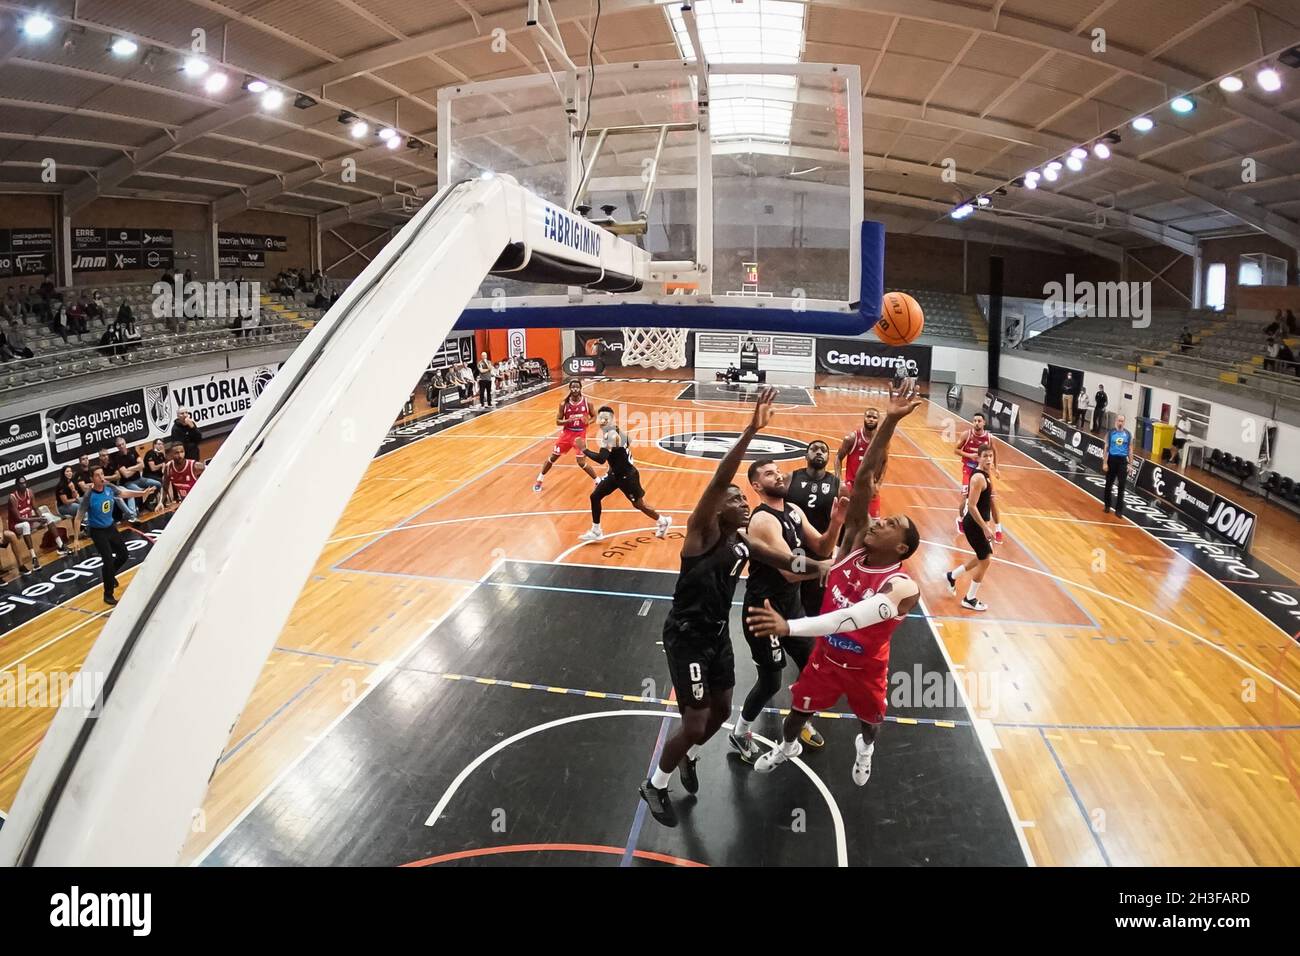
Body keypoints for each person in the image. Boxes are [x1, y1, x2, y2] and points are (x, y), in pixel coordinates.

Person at [638, 389, 825, 827]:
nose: (744, 503)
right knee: (696, 716)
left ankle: (689, 757)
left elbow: (782, 560)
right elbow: (721, 479)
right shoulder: (701, 533)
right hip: (687, 638)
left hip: (717, 636)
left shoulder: (742, 540)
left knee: (722, 711)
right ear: (718, 507)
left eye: (746, 499)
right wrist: (751, 431)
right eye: (737, 499)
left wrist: (821, 563)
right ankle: (656, 784)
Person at [745, 386, 924, 785]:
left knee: (870, 723)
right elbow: (863, 478)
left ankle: (865, 750)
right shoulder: (853, 547)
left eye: (890, 525)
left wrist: (788, 627)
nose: (879, 521)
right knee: (797, 714)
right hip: (826, 657)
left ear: (900, 548)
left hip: (866, 667)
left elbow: (846, 618)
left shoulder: (903, 588)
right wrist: (891, 420)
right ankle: (788, 748)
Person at [729, 458, 845, 762]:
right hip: (764, 611)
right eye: (769, 474)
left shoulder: (793, 511)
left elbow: (821, 546)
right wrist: (824, 569)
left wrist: (836, 522)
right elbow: (790, 571)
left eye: (778, 471)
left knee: (812, 668)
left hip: (790, 607)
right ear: (756, 486)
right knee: (771, 681)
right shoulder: (764, 520)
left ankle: (800, 721)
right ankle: (740, 732)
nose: (778, 475)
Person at [574, 406, 671, 542]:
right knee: (595, 496)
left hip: (627, 476)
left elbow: (601, 459)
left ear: (612, 419)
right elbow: (627, 443)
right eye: (600, 418)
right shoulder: (616, 429)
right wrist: (616, 463)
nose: (602, 421)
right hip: (615, 474)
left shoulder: (611, 435)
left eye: (605, 419)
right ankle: (596, 531)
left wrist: (584, 449)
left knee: (639, 504)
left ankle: (663, 521)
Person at [76, 466, 151, 605]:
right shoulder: (89, 496)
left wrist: (141, 493)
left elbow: (124, 493)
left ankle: (109, 575)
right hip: (97, 531)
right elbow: (78, 517)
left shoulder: (109, 487)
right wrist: (75, 539)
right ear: (92, 479)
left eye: (102, 474)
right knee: (108, 560)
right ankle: (108, 594)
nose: (101, 477)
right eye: (97, 475)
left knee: (123, 555)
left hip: (110, 527)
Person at [787, 440, 841, 618]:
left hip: (821, 551)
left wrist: (839, 549)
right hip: (795, 548)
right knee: (791, 590)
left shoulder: (837, 485)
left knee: (814, 602)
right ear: (806, 455)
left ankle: (810, 638)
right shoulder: (790, 478)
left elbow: (845, 520)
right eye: (814, 449)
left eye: (824, 450)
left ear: (828, 457)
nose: (819, 452)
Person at [944, 444, 999, 612]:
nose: (989, 459)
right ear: (978, 458)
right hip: (975, 525)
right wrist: (985, 527)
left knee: (983, 556)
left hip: (979, 523)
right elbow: (973, 506)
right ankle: (970, 598)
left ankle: (952, 576)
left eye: (991, 456)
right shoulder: (978, 478)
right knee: (986, 560)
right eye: (985, 456)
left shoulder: (986, 474)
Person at [533, 379, 598, 492]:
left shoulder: (588, 403)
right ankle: (540, 479)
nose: (575, 389)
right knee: (553, 457)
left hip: (579, 434)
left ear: (580, 388)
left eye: (577, 387)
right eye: (573, 387)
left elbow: (594, 417)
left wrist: (589, 422)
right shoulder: (564, 404)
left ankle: (598, 481)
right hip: (567, 434)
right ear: (570, 388)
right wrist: (568, 420)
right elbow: (558, 421)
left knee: (581, 462)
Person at [7, 475, 72, 567]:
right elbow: (18, 518)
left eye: (25, 483)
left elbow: (36, 508)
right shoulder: (12, 498)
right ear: (17, 485)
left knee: (48, 516)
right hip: (17, 526)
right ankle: (34, 557)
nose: (24, 485)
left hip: (30, 521)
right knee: (25, 524)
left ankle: (61, 546)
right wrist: (37, 519)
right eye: (21, 484)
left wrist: (41, 517)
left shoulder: (29, 492)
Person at [954, 412, 1000, 540]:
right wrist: (970, 456)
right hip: (969, 469)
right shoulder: (966, 435)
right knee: (965, 497)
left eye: (979, 421)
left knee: (992, 499)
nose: (976, 423)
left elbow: (995, 452)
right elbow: (955, 450)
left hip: (985, 471)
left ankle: (998, 529)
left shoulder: (990, 438)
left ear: (984, 422)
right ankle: (961, 519)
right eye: (974, 420)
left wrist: (996, 468)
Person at [836, 406, 886, 519]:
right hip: (851, 486)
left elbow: (885, 462)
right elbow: (838, 458)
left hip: (870, 487)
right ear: (864, 418)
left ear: (878, 420)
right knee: (846, 521)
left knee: (873, 524)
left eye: (874, 417)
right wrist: (838, 481)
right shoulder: (852, 438)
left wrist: (878, 484)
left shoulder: (882, 441)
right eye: (869, 416)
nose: (871, 419)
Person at [1102, 414, 1134, 517]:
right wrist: (1105, 462)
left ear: (1124, 422)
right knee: (1108, 484)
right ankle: (1107, 505)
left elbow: (1130, 449)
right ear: (1116, 421)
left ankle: (1119, 510)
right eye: (1119, 421)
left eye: (1122, 421)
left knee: (1121, 486)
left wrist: (1130, 464)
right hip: (1112, 460)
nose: (1120, 423)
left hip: (1122, 462)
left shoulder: (1128, 434)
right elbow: (1106, 448)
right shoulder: (1110, 433)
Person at [55, 465, 83, 541]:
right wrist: (76, 499)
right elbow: (65, 501)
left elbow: (76, 496)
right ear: (63, 473)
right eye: (67, 471)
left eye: (70, 471)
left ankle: (81, 531)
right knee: (81, 508)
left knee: (86, 501)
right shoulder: (61, 485)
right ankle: (84, 530)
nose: (70, 473)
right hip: (62, 507)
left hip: (72, 503)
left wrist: (73, 489)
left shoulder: (71, 483)